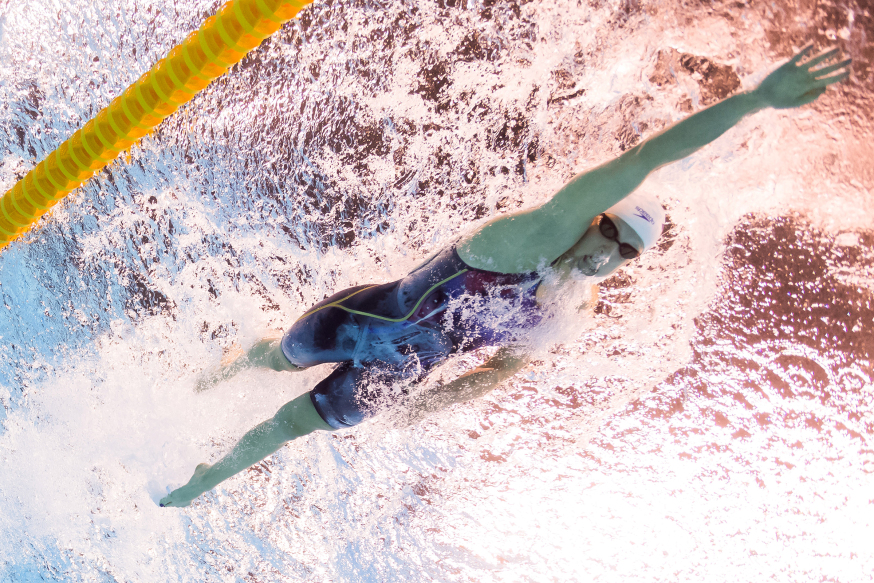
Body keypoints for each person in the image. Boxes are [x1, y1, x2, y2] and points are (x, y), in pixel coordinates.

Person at [160, 45, 850, 507]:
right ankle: (200, 377)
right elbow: (648, 156)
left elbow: (498, 372)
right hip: (363, 319)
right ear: (591, 217)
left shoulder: (565, 310)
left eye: (626, 252)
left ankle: (197, 482)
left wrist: (419, 408)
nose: (607, 253)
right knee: (276, 357)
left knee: (290, 427)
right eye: (608, 229)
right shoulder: (538, 234)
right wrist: (756, 100)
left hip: (394, 377)